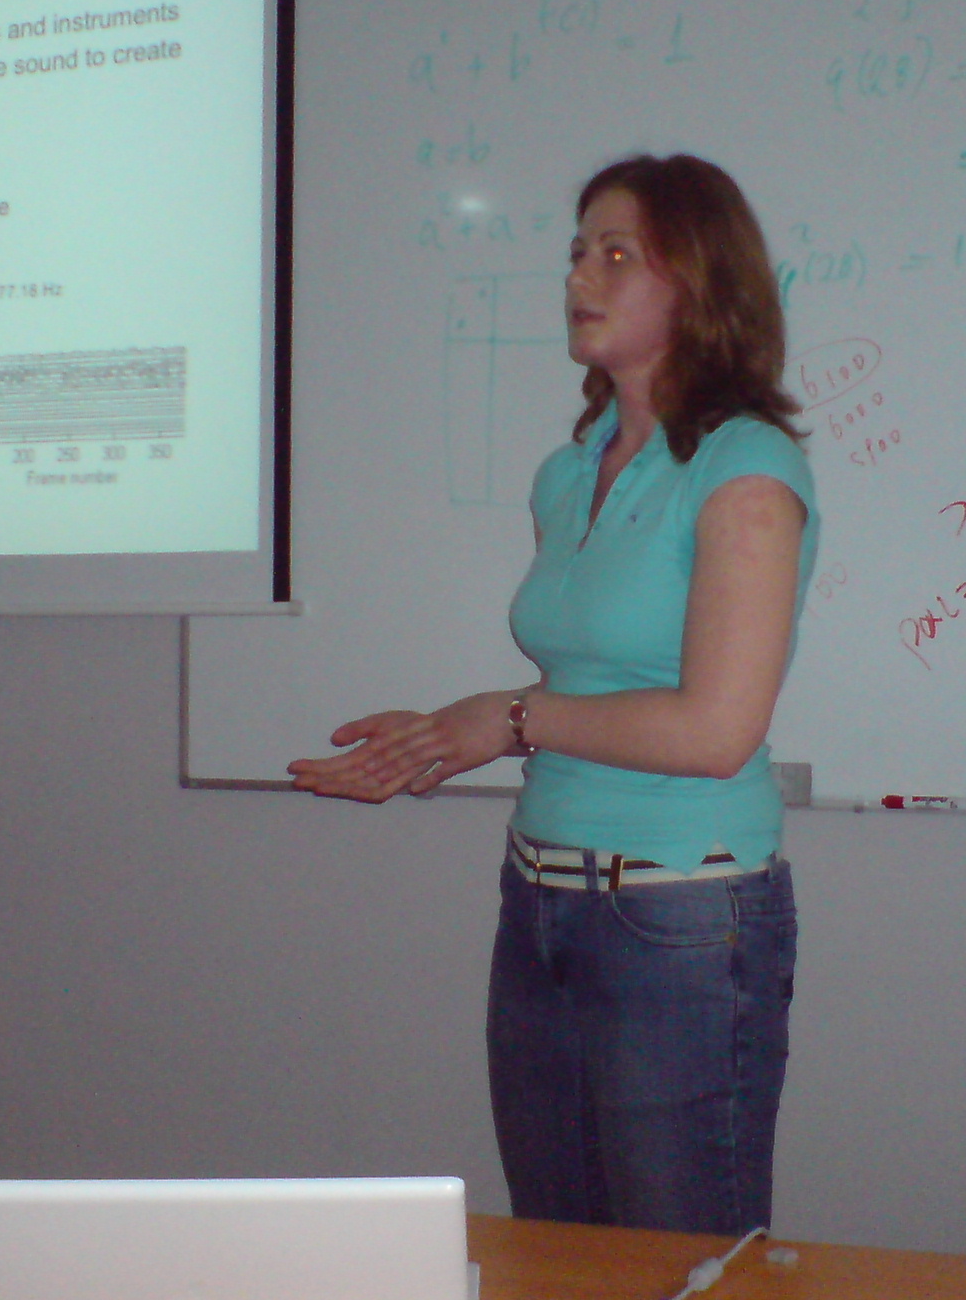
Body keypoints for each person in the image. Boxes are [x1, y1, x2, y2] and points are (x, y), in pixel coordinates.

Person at [288, 153, 819, 1236]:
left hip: (681, 918)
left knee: (677, 1267)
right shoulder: (569, 470)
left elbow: (716, 730)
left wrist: (507, 719)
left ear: (699, 282)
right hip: (539, 900)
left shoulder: (747, 469)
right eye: (578, 252)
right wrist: (444, 735)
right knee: (557, 1254)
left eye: (617, 255)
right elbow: (588, 685)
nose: (580, 276)